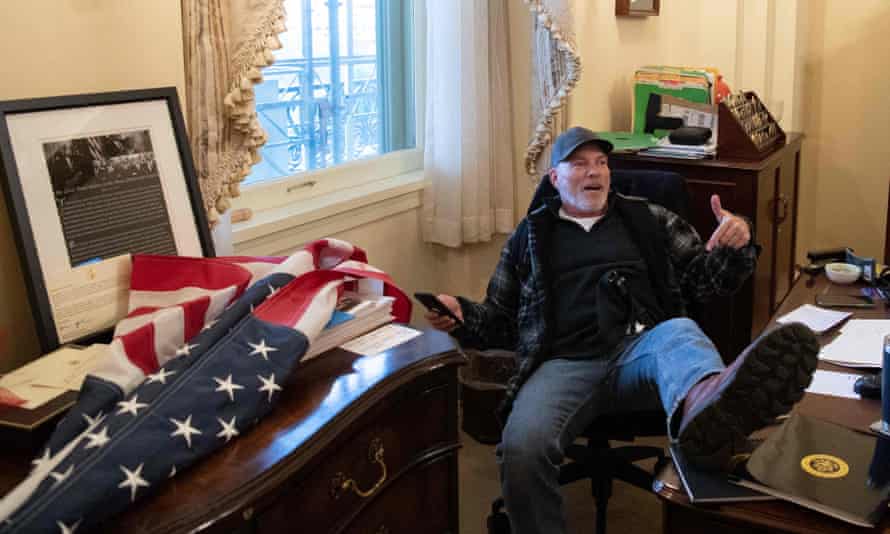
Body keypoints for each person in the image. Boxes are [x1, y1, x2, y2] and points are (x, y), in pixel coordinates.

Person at [425, 126, 819, 534]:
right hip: (562, 363)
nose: (594, 172)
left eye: (601, 163)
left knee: (680, 330)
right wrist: (462, 314)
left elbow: (706, 281)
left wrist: (733, 246)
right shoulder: (530, 236)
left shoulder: (648, 219)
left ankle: (708, 408)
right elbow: (499, 319)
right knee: (522, 449)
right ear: (555, 179)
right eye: (579, 164)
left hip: (644, 350)